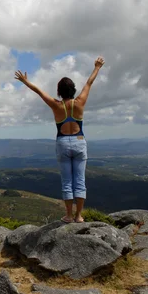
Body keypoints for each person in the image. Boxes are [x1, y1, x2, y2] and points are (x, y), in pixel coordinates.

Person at [14, 56, 105, 223]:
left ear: (59, 92)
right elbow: (89, 83)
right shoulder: (80, 103)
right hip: (79, 141)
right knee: (80, 180)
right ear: (73, 90)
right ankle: (79, 216)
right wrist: (97, 67)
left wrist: (25, 82)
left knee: (67, 181)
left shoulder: (56, 105)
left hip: (63, 143)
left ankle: (69, 216)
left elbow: (39, 91)